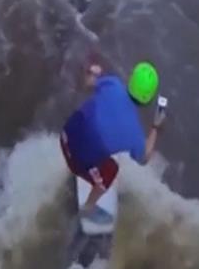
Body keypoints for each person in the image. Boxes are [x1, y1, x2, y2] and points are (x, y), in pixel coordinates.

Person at [60, 59, 166, 221]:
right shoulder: (136, 136)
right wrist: (155, 127)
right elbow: (144, 158)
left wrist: (91, 72)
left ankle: (76, 167)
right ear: (149, 98)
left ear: (131, 80)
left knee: (90, 130)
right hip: (76, 160)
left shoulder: (112, 84)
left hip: (65, 135)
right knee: (112, 169)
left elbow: (88, 84)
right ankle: (88, 208)